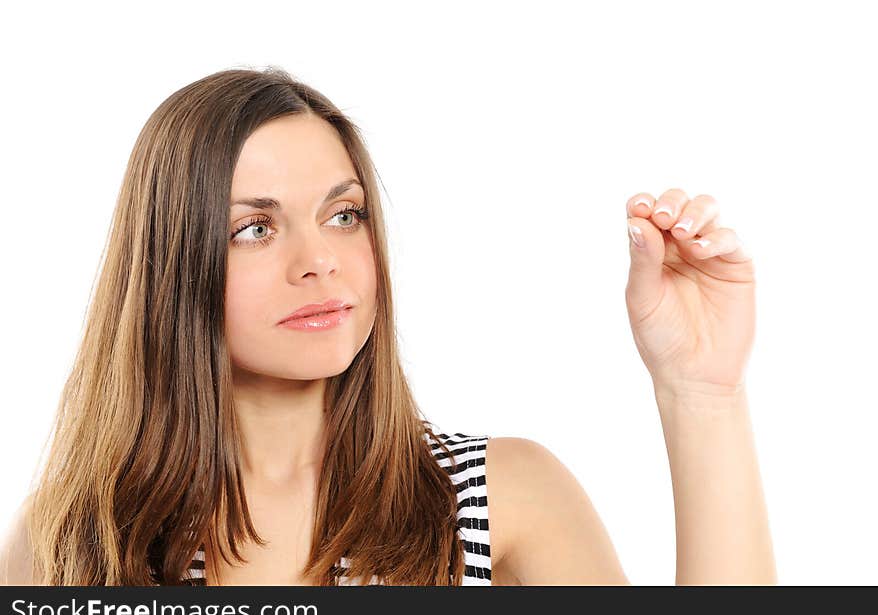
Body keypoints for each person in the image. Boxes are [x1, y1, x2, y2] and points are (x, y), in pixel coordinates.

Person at [0, 66, 775, 586]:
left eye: (344, 216)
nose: (320, 262)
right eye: (255, 229)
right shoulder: (72, 539)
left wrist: (701, 392)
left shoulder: (501, 499)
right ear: (171, 265)